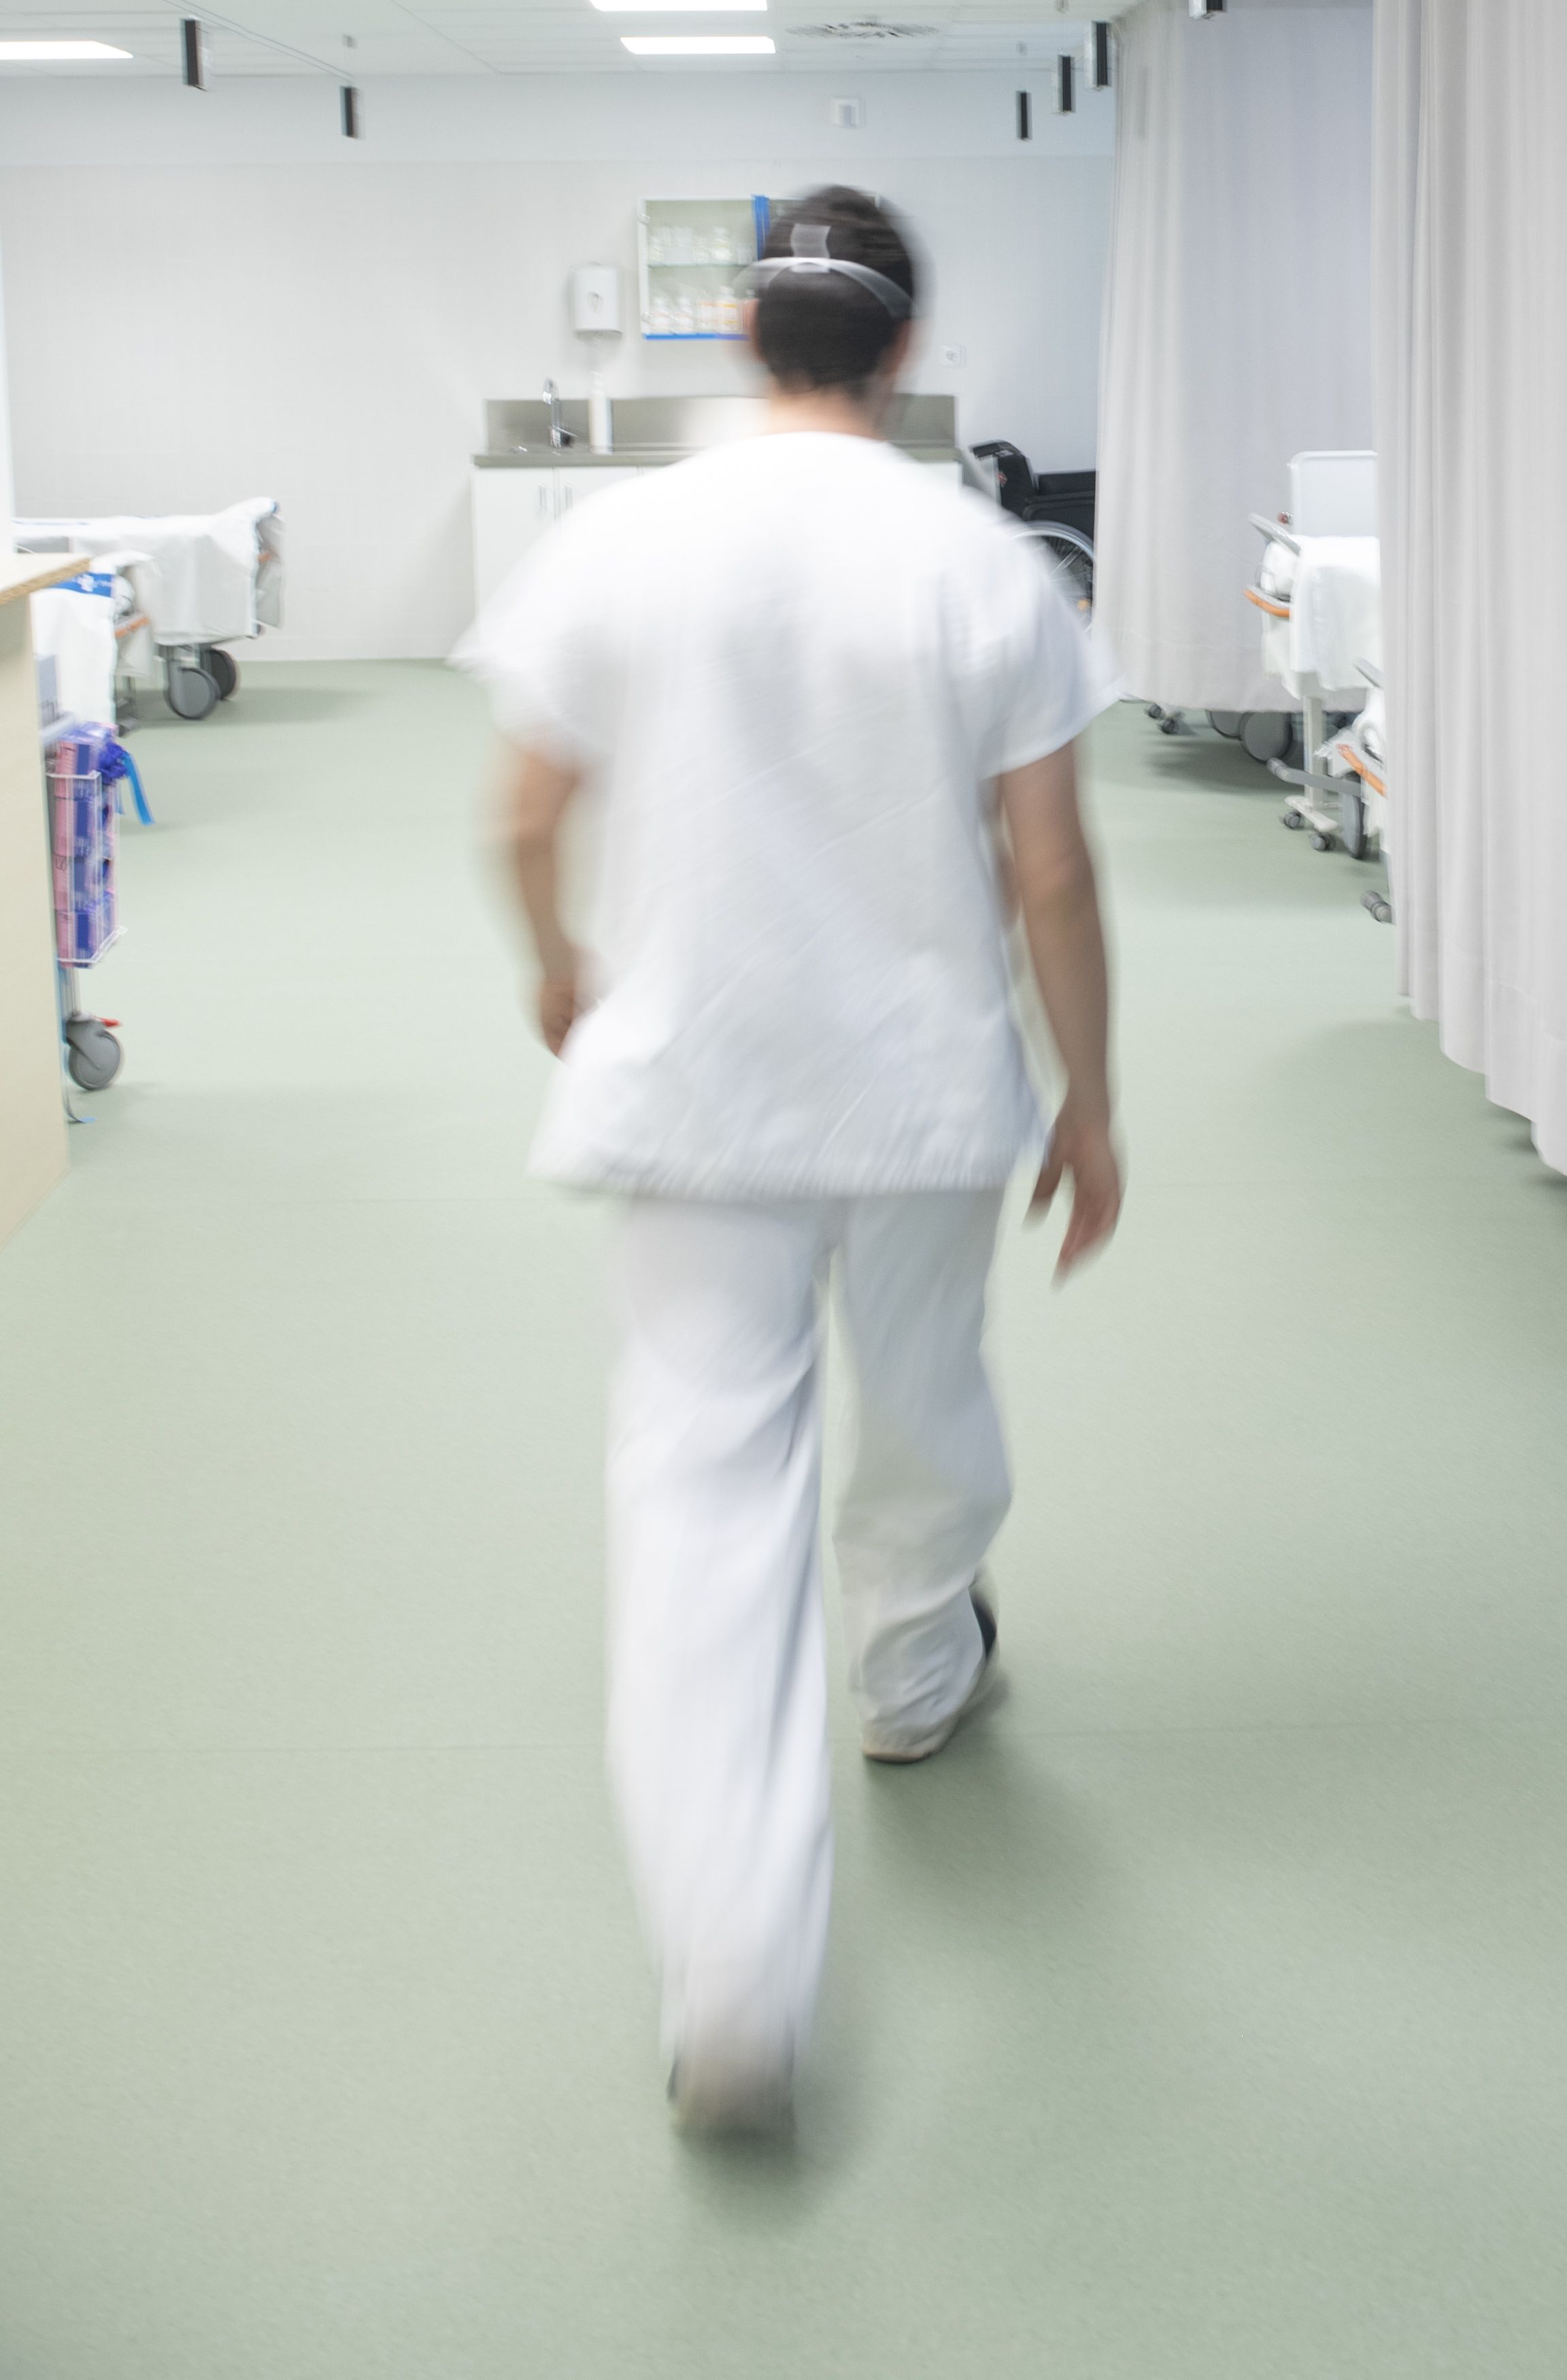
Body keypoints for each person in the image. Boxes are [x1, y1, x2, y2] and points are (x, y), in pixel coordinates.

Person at [464, 184, 1119, 2140]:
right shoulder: (983, 562)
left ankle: (736, 1980)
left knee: (701, 1495)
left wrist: (562, 966)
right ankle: (915, 1678)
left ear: (747, 344)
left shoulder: (626, 538)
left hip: (694, 1093)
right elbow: (1053, 872)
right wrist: (1089, 1100)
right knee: (925, 1403)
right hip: (919, 1095)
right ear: (905, 351)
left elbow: (518, 814)